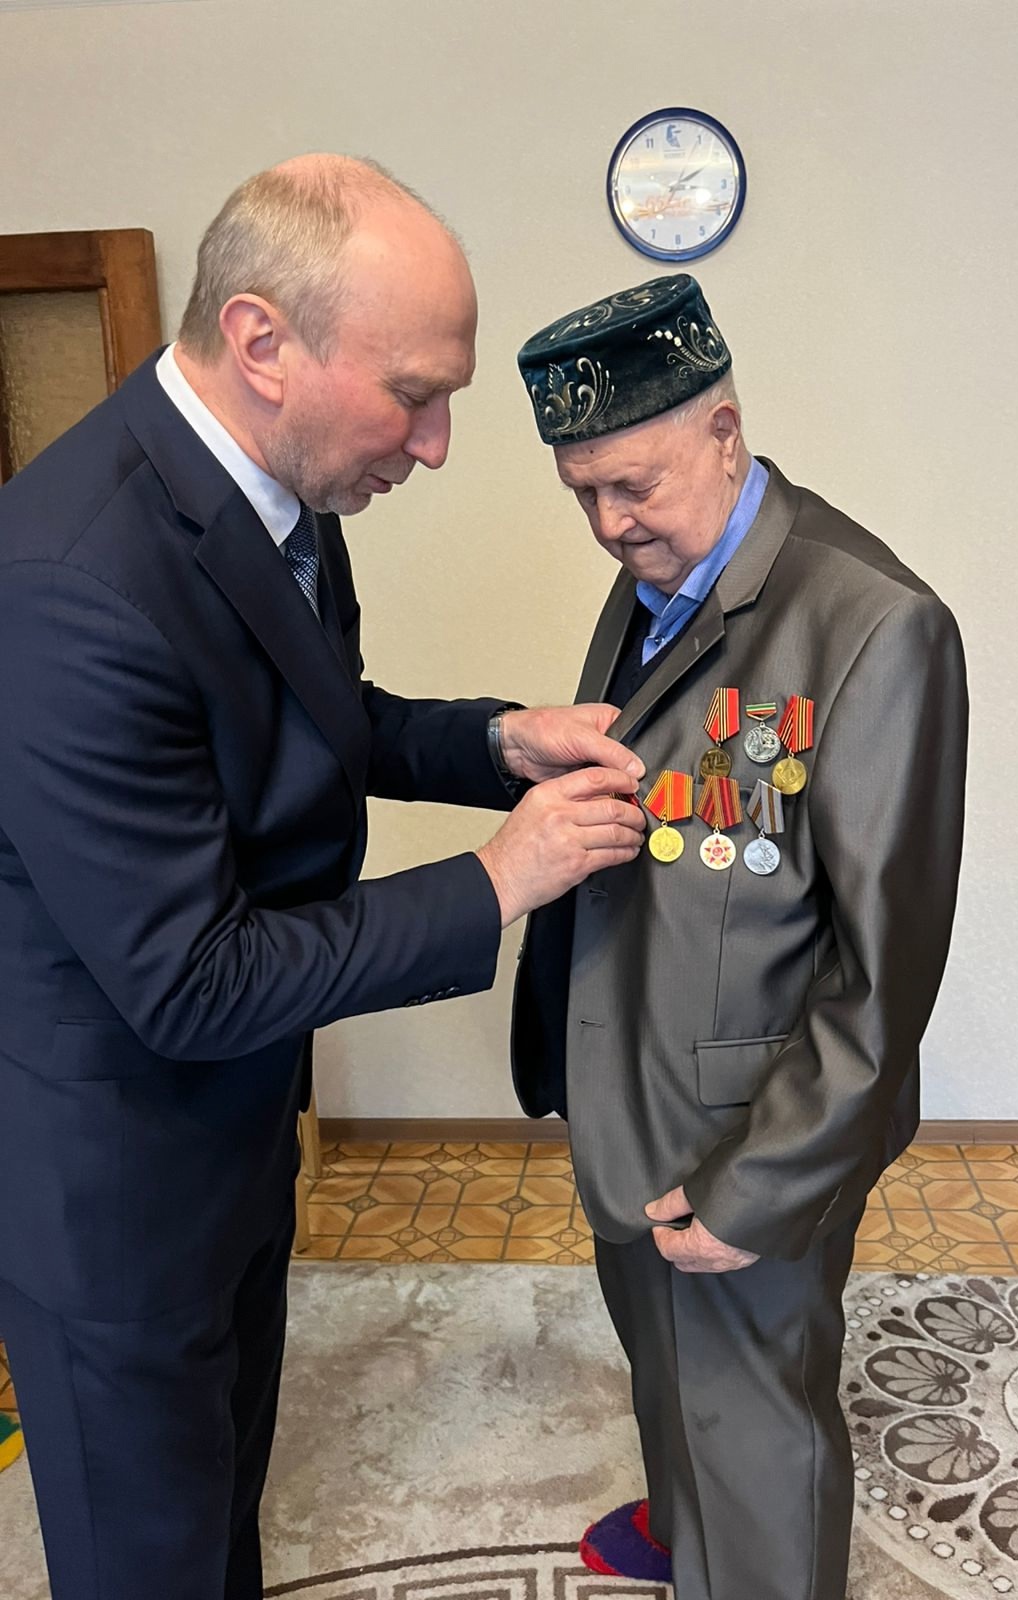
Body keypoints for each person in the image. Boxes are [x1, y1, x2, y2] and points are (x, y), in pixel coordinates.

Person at [0, 155, 645, 1600]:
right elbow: (193, 977)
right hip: (116, 1183)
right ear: (262, 341)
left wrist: (500, 743)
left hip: (233, 1125)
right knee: (145, 1552)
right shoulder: (69, 587)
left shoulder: (280, 491)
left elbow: (313, 716)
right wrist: (500, 879)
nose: (437, 444)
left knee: (224, 1487)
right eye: (414, 395)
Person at [511, 274, 968, 1600]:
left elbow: (883, 974)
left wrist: (763, 1182)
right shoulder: (658, 568)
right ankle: (685, 1526)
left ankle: (746, 1559)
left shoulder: (876, 626)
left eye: (633, 484)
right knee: (665, 1355)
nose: (610, 523)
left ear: (725, 431)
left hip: (750, 1121)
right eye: (583, 494)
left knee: (755, 1413)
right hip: (633, 1076)